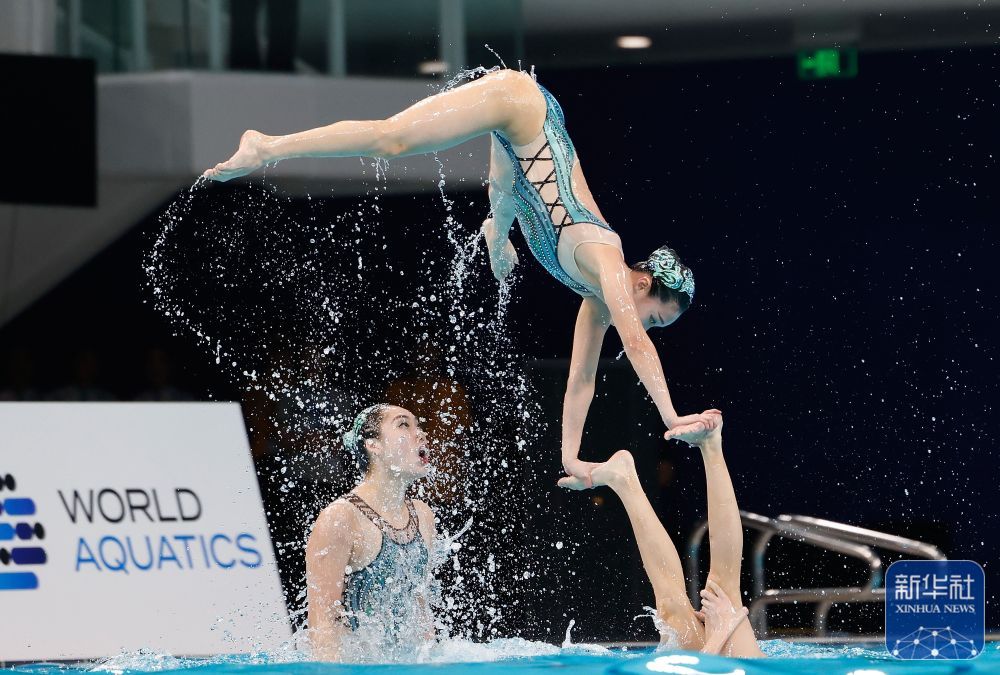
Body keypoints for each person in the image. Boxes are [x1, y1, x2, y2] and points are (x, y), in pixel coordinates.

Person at [204, 68, 720, 485]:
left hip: (520, 154)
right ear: (642, 285)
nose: (647, 328)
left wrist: (573, 458)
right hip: (522, 106)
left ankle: (496, 235)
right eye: (657, 319)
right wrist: (672, 417)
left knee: (500, 211)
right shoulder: (606, 259)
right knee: (394, 140)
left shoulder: (594, 298)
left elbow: (581, 379)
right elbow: (635, 341)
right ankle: (265, 146)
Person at [558, 417, 765, 657]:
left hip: (705, 660)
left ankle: (623, 479)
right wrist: (721, 630)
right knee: (722, 592)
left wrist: (718, 635)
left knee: (670, 609)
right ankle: (711, 446)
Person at [305, 404, 437, 661]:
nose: (420, 434)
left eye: (418, 426)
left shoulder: (424, 516)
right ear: (373, 445)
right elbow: (323, 624)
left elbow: (421, 611)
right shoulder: (341, 518)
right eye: (403, 425)